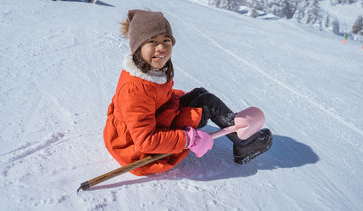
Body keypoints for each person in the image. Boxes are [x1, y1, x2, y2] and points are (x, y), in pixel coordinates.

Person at [103, 9, 273, 176]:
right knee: (207, 105)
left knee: (201, 95)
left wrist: (177, 96)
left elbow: (156, 97)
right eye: (152, 41)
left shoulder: (151, 69)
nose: (161, 47)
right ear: (137, 46)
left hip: (155, 120)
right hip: (135, 149)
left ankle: (239, 137)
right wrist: (189, 139)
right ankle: (245, 143)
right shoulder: (135, 90)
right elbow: (145, 141)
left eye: (166, 40)